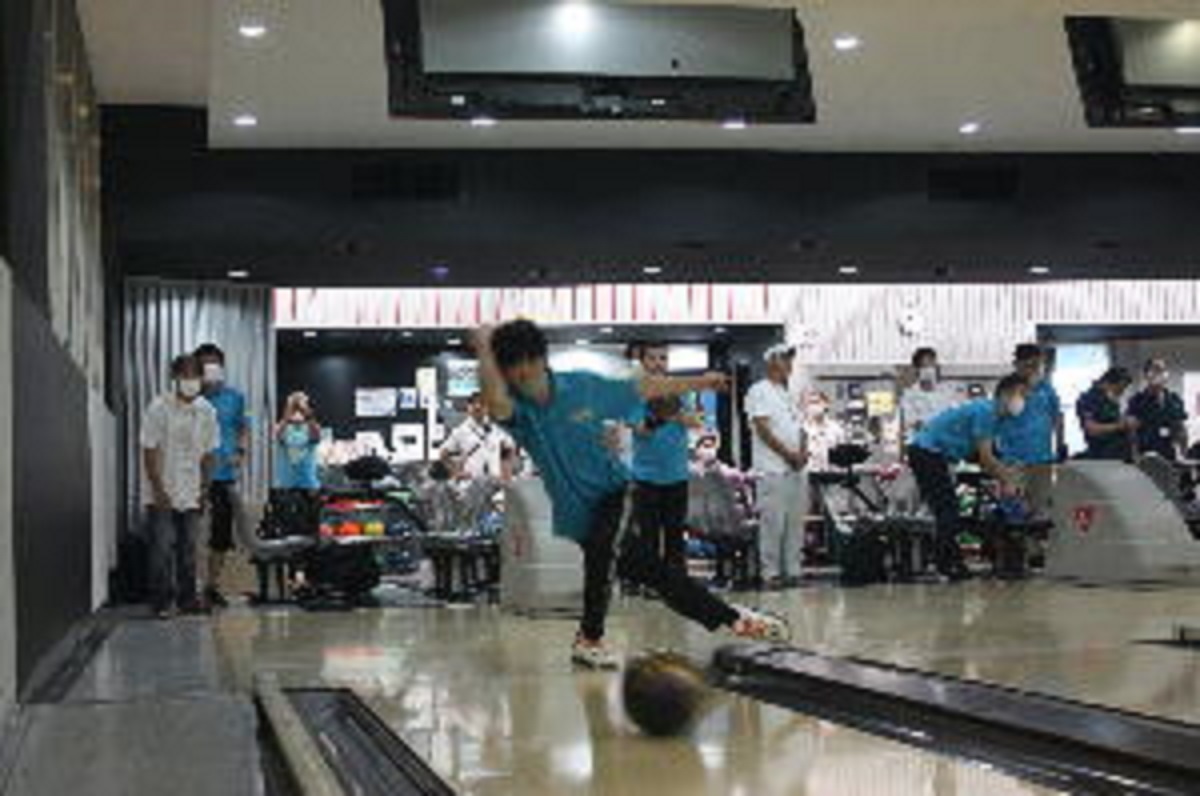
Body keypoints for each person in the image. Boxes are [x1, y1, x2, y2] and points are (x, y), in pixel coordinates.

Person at [474, 319, 788, 670]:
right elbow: (495, 401)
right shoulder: (521, 410)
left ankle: (589, 638)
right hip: (577, 512)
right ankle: (732, 618)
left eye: (528, 366)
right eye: (513, 371)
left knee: (602, 551)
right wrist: (484, 349)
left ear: (541, 360)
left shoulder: (582, 386)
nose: (522, 376)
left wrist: (701, 381)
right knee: (654, 573)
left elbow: (646, 387)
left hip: (614, 491)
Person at [907, 374, 1029, 580]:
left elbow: (984, 454)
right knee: (947, 509)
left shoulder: (995, 416)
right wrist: (1008, 480)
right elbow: (986, 458)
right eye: (1021, 394)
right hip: (927, 452)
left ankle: (952, 560)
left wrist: (1007, 472)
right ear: (1005, 394)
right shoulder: (986, 412)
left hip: (934, 454)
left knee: (949, 509)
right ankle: (945, 565)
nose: (1023, 400)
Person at [141, 355, 220, 618]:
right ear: (175, 377)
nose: (191, 381)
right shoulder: (158, 407)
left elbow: (209, 453)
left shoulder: (207, 410)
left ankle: (188, 600)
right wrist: (157, 488)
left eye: (195, 375)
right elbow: (149, 450)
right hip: (162, 490)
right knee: (162, 549)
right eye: (185, 375)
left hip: (192, 491)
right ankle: (162, 603)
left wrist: (205, 488)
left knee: (189, 550)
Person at [628, 342, 704, 576]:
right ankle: (650, 582)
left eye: (663, 358)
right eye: (653, 358)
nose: (658, 363)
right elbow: (641, 431)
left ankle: (676, 581)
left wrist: (675, 411)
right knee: (648, 535)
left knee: (675, 533)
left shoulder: (679, 389)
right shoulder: (634, 392)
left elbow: (695, 422)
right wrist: (659, 415)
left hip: (677, 474)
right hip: (645, 476)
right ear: (643, 362)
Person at [745, 344, 809, 589]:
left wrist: (803, 453)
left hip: (796, 469)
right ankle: (770, 573)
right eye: (784, 359)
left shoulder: (787, 394)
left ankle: (793, 570)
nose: (789, 365)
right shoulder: (758, 390)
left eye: (790, 360)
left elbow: (800, 429)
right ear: (771, 362)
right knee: (773, 523)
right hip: (772, 469)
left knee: (795, 522)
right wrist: (788, 454)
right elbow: (763, 429)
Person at [195, 343, 251, 608]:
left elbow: (243, 427)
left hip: (223, 475)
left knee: (220, 534)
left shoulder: (235, 397)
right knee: (188, 532)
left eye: (214, 364)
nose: (210, 368)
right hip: (190, 476)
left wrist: (240, 451)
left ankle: (211, 586)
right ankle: (188, 587)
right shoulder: (190, 398)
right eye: (204, 364)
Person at [995, 344, 1065, 517]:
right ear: (1017, 364)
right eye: (1029, 365)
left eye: (1037, 365)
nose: (1033, 370)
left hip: (1042, 457)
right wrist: (1019, 395)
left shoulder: (1046, 388)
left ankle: (1038, 533)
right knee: (1013, 508)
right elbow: (999, 413)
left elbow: (1057, 416)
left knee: (1041, 508)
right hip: (1014, 459)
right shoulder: (1006, 385)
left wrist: (1060, 444)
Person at [440, 392, 512, 480]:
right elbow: (443, 453)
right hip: (471, 482)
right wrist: (456, 473)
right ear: (468, 407)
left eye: (481, 403)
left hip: (494, 481)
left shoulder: (497, 428)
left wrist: (506, 474)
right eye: (473, 403)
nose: (477, 406)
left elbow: (508, 449)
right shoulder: (460, 431)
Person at [1127, 358, 1189, 460]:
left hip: (1168, 452)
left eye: (1162, 370)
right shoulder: (1136, 401)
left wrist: (1184, 453)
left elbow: (1181, 428)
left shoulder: (1174, 400)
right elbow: (1132, 432)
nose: (1159, 373)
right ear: (1146, 374)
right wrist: (1134, 455)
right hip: (1145, 453)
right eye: (1155, 369)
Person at [900, 347, 960, 443]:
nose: (929, 370)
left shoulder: (948, 391)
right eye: (925, 366)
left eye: (933, 366)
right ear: (917, 370)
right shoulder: (909, 396)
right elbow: (910, 423)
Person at [1076, 367, 1136, 461]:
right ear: (1108, 383)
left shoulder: (1111, 400)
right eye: (1120, 388)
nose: (1121, 392)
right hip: (1103, 455)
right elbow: (1091, 429)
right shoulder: (1089, 399)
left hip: (1121, 453)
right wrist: (1119, 426)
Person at [274, 391, 322, 491]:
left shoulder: (311, 428)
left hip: (309, 486)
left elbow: (316, 436)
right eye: (294, 408)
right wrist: (289, 411)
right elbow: (278, 435)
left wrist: (306, 411)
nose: (297, 411)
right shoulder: (283, 428)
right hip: (286, 486)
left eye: (299, 408)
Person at [803, 391, 846, 472]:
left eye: (816, 402)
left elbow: (842, 457)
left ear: (826, 404)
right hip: (809, 474)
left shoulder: (836, 429)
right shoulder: (803, 429)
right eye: (810, 403)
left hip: (831, 474)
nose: (813, 407)